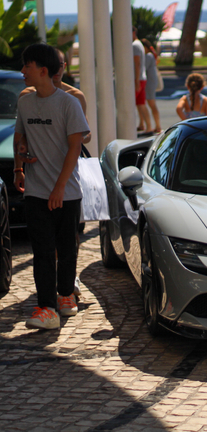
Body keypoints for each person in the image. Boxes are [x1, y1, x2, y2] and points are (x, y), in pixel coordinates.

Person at [13, 43, 90, 330]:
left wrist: (59, 188)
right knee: (43, 251)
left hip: (67, 192)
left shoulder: (68, 103)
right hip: (35, 190)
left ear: (43, 71)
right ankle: (46, 310)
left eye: (27, 66)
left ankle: (66, 294)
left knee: (67, 249)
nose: (23, 71)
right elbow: (20, 136)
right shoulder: (24, 101)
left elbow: (75, 148)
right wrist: (19, 163)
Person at [132, 27, 152, 134]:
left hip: (138, 78)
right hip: (142, 78)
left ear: (134, 33)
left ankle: (145, 125)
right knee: (141, 103)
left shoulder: (135, 45)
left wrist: (136, 81)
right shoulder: (139, 43)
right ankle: (145, 125)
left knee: (132, 103)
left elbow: (137, 64)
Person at [141, 39, 162, 133]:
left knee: (151, 104)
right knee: (150, 104)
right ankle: (155, 125)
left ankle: (157, 126)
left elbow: (143, 66)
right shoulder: (150, 55)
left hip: (149, 82)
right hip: (150, 82)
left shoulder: (148, 56)